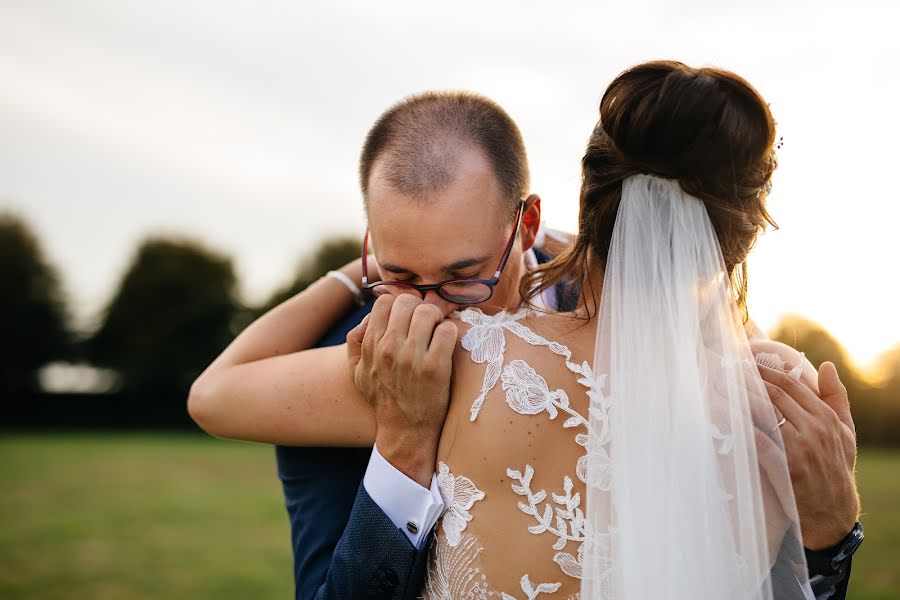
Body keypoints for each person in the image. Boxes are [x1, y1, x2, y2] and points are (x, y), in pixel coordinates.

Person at [189, 86, 860, 598]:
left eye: (463, 277)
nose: (427, 314)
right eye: (398, 276)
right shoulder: (362, 345)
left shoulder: (741, 379)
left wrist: (833, 536)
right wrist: (347, 289)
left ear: (529, 223)